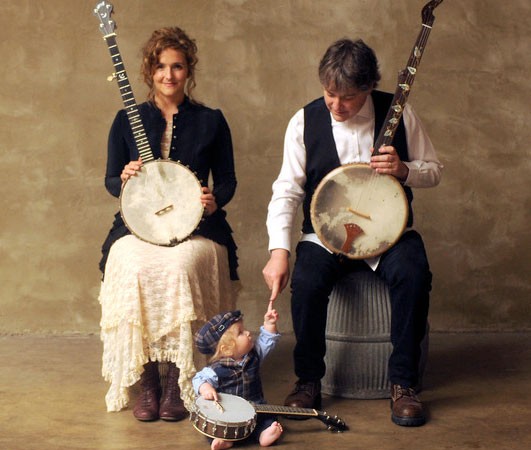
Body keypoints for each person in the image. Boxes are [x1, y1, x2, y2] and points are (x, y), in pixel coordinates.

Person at [262, 38, 443, 427]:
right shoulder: (304, 121)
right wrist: (279, 250)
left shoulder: (398, 112)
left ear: (368, 88)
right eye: (329, 94)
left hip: (389, 236)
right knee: (307, 281)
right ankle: (308, 380)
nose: (336, 105)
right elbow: (286, 190)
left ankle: (403, 384)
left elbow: (435, 170)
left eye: (347, 97)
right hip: (326, 238)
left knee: (413, 271)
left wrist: (405, 170)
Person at [98, 27, 238, 422]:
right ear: (149, 72)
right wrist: (123, 176)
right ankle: (148, 383)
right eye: (160, 67)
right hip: (137, 226)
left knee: (179, 267)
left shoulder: (211, 120)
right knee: (133, 266)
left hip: (197, 226)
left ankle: (179, 379)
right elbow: (110, 182)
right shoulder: (127, 119)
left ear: (188, 70)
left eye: (177, 66)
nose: (169, 75)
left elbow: (227, 181)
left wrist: (214, 201)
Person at [192, 307, 283, 450]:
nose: (248, 333)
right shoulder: (216, 369)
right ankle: (224, 439)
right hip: (229, 412)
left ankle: (264, 433)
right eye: (241, 332)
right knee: (215, 426)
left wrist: (269, 324)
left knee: (266, 419)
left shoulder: (254, 355)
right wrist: (205, 387)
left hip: (255, 408)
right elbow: (199, 378)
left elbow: (267, 342)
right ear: (227, 349)